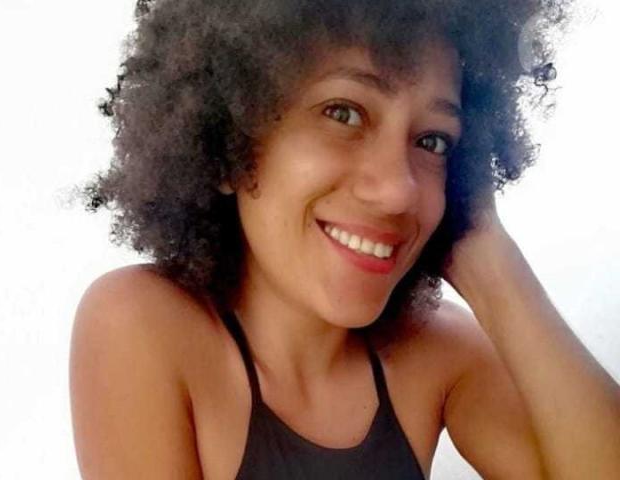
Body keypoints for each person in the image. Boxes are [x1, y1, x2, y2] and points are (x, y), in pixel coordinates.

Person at [69, 0, 620, 478]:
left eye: (432, 141)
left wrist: (491, 262)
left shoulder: (440, 353)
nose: (398, 191)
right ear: (230, 142)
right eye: (344, 113)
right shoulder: (143, 323)